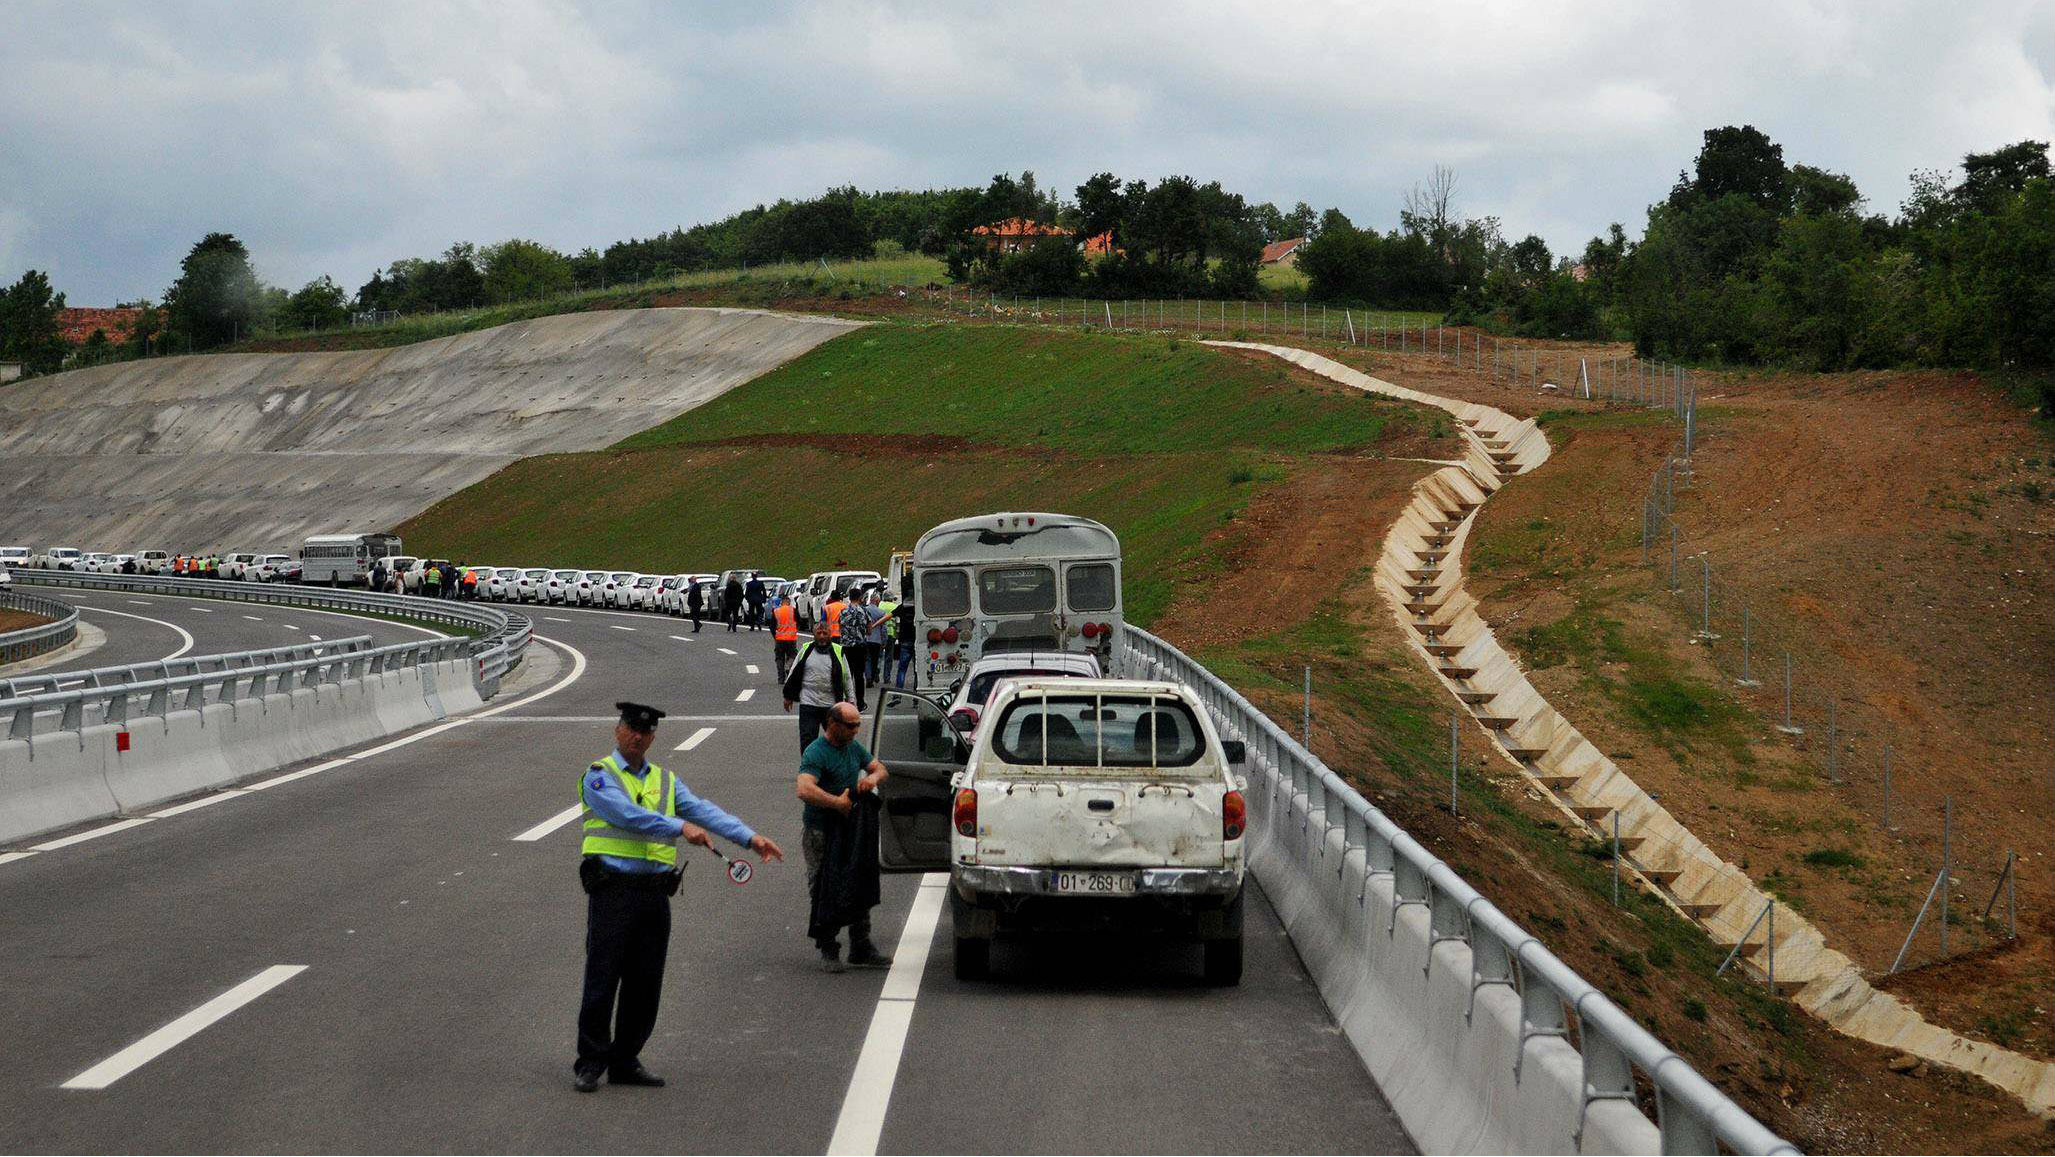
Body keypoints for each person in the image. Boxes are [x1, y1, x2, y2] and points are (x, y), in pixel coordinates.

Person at [573, 702, 784, 1093]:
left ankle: (625, 1059)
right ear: (618, 730)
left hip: (654, 894)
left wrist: (749, 838)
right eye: (631, 729)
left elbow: (704, 811)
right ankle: (591, 1061)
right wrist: (677, 825)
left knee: (645, 981)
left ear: (653, 737)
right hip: (613, 891)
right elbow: (625, 816)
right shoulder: (600, 775)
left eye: (646, 732)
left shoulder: (666, 781)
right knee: (603, 978)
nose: (638, 737)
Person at [795, 701, 891, 973]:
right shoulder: (816, 753)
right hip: (821, 830)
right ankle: (828, 946)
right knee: (824, 887)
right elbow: (803, 789)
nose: (856, 731)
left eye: (858, 725)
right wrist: (836, 802)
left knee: (859, 879)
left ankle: (860, 946)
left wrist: (871, 779)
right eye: (851, 726)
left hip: (850, 828)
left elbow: (880, 768)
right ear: (833, 724)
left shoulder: (853, 747)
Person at [781, 622, 854, 752]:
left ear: (830, 635)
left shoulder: (838, 651)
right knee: (807, 741)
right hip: (808, 703)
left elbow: (847, 677)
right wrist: (788, 696)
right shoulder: (806, 650)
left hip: (831, 705)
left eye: (824, 633)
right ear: (813, 634)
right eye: (818, 633)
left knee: (837, 741)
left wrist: (851, 700)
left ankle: (834, 769)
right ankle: (809, 768)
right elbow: (793, 672)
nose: (821, 636)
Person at [839, 592, 874, 711]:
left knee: (847, 674)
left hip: (846, 646)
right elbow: (869, 630)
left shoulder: (843, 612)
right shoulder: (864, 611)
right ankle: (860, 703)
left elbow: (840, 627)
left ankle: (847, 700)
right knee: (859, 675)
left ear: (849, 598)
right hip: (860, 646)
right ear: (860, 598)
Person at [771, 594, 800, 683]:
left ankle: (781, 678)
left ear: (781, 602)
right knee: (792, 655)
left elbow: (772, 626)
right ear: (788, 601)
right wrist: (795, 630)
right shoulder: (793, 610)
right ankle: (788, 666)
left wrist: (775, 636)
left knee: (779, 658)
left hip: (779, 638)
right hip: (791, 638)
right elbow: (799, 621)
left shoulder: (776, 611)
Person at [891, 595, 916, 688]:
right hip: (917, 641)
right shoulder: (918, 607)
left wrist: (874, 625)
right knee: (917, 671)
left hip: (905, 641)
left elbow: (888, 616)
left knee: (902, 669)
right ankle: (916, 694)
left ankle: (898, 693)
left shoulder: (902, 608)